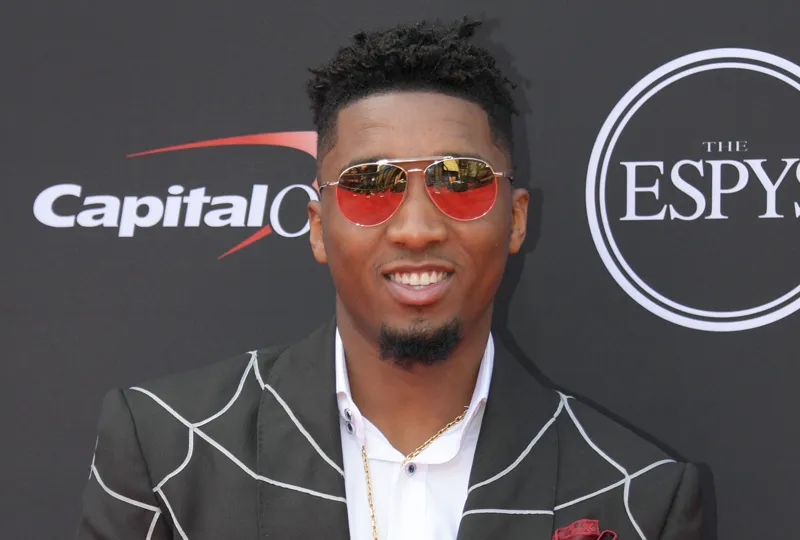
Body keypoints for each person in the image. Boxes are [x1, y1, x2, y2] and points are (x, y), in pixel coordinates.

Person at [77, 17, 702, 540]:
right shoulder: (163, 448)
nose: (416, 228)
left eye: (460, 180)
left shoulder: (640, 496)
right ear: (317, 227)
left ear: (515, 220)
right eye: (369, 185)